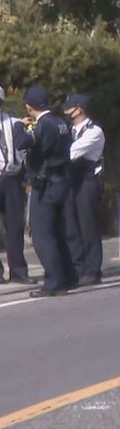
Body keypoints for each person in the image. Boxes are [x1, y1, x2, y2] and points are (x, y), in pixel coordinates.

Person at [22, 84, 75, 297]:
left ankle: (53, 281)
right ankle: (68, 275)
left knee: (43, 234)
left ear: (29, 106)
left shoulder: (41, 125)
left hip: (45, 184)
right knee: (57, 232)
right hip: (61, 180)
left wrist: (18, 126)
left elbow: (22, 142)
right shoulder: (61, 122)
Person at [63, 93, 105, 286]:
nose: (66, 109)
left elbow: (72, 153)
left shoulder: (94, 132)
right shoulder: (69, 130)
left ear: (79, 108)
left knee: (88, 226)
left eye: (70, 106)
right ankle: (77, 268)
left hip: (88, 180)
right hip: (72, 180)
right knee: (71, 225)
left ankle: (93, 270)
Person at [0, 88, 34, 285]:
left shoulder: (13, 124)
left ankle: (19, 271)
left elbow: (24, 148)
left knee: (14, 226)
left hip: (11, 178)